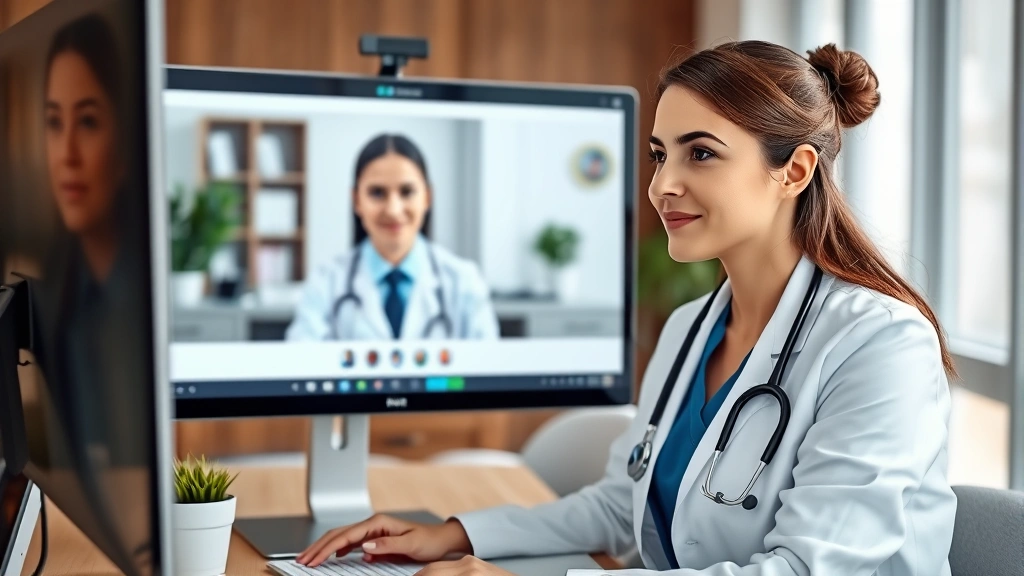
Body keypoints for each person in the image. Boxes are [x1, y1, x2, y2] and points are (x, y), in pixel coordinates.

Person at [298, 41, 959, 575]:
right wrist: (453, 534)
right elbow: (623, 507)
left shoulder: (881, 345)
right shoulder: (690, 329)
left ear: (794, 171)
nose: (663, 184)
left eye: (700, 153)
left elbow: (804, 569)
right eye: (657, 154)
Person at [286, 133, 499, 341]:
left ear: (427, 197)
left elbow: (489, 369)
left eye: (407, 192)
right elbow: (299, 364)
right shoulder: (326, 282)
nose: (393, 210)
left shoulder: (464, 281)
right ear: (356, 200)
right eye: (377, 193)